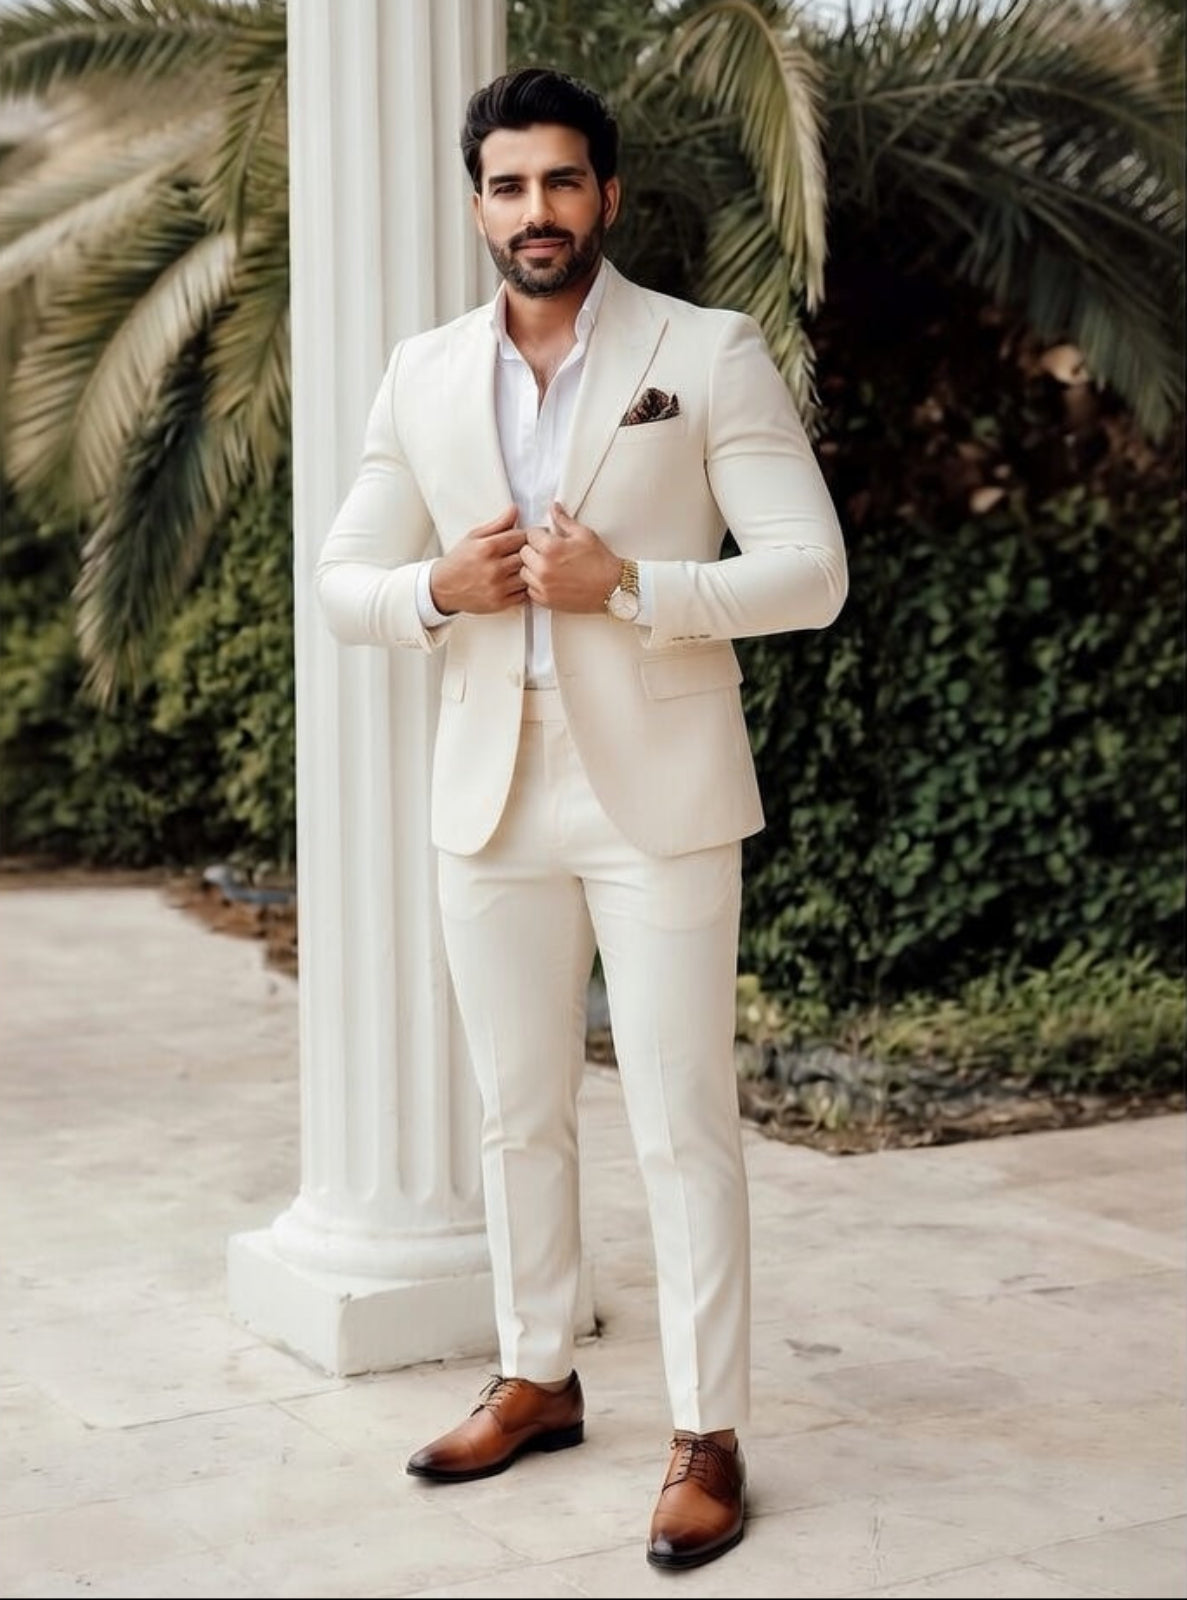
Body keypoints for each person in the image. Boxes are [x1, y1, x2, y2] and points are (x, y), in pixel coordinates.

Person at [315, 67, 847, 1572]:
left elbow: (811, 573)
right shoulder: (419, 373)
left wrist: (631, 587)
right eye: (505, 185)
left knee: (683, 1121)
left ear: (607, 194)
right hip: (489, 784)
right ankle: (539, 1373)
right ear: (476, 200)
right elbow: (346, 583)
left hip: (660, 788)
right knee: (514, 1109)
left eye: (559, 182)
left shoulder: (707, 349)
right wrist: (440, 589)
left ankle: (708, 1432)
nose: (533, 212)